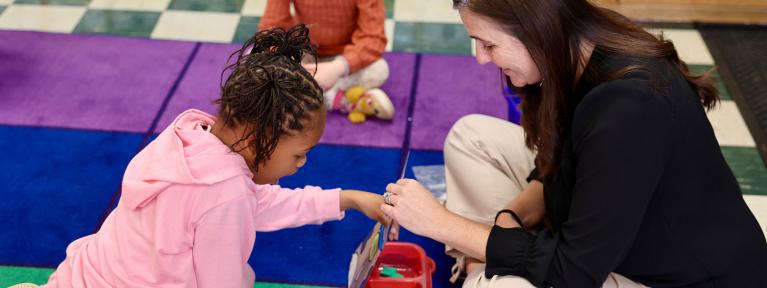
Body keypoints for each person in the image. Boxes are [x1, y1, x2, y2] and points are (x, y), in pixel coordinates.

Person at [380, 0, 767, 287]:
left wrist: (444, 225)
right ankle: (485, 262)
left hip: (671, 278)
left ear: (535, 29)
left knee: (504, 285)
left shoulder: (629, 106)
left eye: (488, 44)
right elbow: (562, 163)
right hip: (603, 239)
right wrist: (511, 217)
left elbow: (575, 272)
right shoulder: (580, 51)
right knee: (472, 137)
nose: (480, 59)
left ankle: (484, 270)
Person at [11, 25, 388, 288]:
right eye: (299, 154)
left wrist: (347, 199)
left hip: (89, 274)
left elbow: (260, 203)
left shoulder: (190, 136)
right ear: (259, 138)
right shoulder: (225, 193)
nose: (301, 164)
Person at [258, 0, 395, 122]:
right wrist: (291, 57)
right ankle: (339, 98)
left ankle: (301, 93)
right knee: (255, 58)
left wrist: (339, 67)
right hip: (304, 50)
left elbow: (373, 37)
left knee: (379, 70)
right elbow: (271, 26)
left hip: (346, 54)